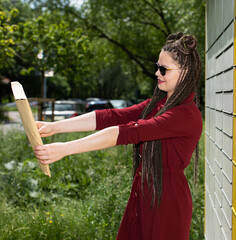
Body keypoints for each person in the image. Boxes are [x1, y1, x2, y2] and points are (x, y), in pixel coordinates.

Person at [34, 32, 203, 240]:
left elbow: (126, 133)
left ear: (185, 72)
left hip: (166, 204)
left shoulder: (184, 115)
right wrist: (55, 127)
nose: (157, 73)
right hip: (144, 195)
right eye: (156, 67)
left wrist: (64, 149)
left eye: (163, 69)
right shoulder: (157, 104)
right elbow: (112, 117)